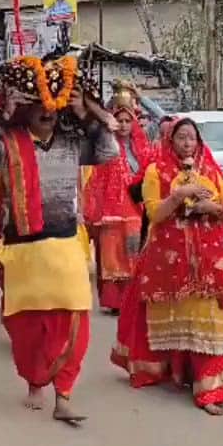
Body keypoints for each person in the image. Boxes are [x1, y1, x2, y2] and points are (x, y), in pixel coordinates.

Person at [0, 57, 119, 423]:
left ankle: (64, 394)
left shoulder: (72, 142)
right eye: (38, 105)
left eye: (52, 107)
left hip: (66, 245)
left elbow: (109, 153)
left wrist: (88, 113)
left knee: (74, 321)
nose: (46, 112)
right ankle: (35, 380)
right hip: (23, 251)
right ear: (25, 109)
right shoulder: (8, 141)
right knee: (26, 331)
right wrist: (2, 119)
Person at [110, 117, 223, 415]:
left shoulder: (210, 171)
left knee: (213, 319)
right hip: (168, 260)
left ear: (199, 142)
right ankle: (176, 372)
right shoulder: (156, 171)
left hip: (210, 261)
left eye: (192, 138)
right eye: (181, 138)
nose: (187, 143)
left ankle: (210, 388)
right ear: (171, 141)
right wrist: (178, 195)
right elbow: (154, 214)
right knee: (175, 315)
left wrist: (211, 207)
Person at [82, 84, 152, 313]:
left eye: (127, 121)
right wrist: (92, 212)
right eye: (119, 121)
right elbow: (96, 181)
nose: (123, 125)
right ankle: (114, 302)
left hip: (134, 211)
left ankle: (130, 300)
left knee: (133, 256)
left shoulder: (142, 148)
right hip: (110, 213)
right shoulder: (105, 147)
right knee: (111, 260)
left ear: (133, 123)